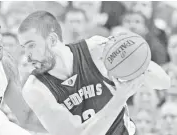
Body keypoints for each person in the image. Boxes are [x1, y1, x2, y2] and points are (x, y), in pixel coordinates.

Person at [18, 11, 170, 135]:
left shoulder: (95, 50)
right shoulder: (35, 89)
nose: (27, 55)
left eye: (31, 46)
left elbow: (163, 82)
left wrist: (137, 63)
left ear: (51, 40)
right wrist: (119, 98)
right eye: (23, 47)